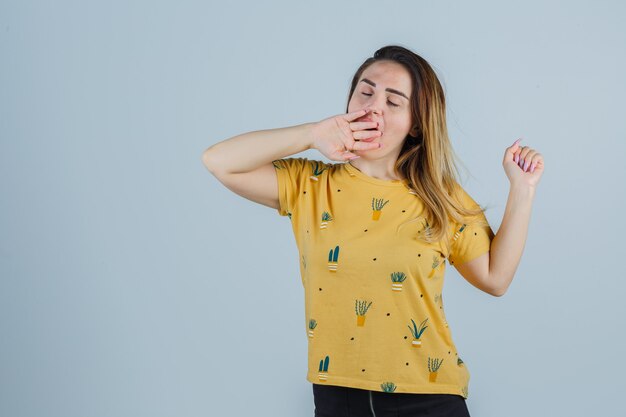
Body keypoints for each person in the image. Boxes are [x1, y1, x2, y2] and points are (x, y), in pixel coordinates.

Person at [202, 45, 544, 417]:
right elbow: (219, 162)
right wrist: (313, 134)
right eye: (365, 92)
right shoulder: (309, 184)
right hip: (337, 398)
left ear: (415, 123)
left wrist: (522, 190)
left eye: (393, 101)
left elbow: (496, 278)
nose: (373, 106)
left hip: (429, 399)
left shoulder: (440, 197)